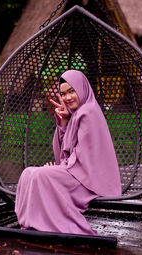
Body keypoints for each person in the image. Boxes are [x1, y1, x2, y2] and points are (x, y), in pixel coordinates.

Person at [14, 69, 122, 235]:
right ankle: (31, 223)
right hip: (78, 174)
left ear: (82, 89)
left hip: (90, 182)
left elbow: (83, 159)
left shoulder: (88, 113)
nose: (67, 98)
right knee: (28, 173)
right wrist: (64, 122)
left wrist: (59, 167)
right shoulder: (77, 114)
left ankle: (43, 224)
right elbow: (63, 154)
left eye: (72, 91)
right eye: (63, 94)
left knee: (39, 175)